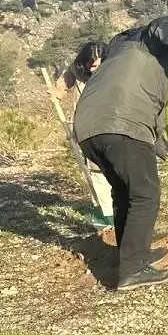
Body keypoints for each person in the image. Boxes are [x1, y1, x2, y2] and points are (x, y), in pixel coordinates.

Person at [72, 18, 168, 291]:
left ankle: (132, 254)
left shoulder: (121, 62)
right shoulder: (146, 40)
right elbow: (165, 25)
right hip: (121, 125)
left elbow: (151, 127)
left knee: (124, 191)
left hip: (89, 130)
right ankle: (133, 269)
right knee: (145, 194)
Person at [51, 41, 115, 227]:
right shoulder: (78, 73)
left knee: (115, 170)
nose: (95, 64)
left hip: (112, 126)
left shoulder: (114, 73)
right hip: (86, 128)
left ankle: (118, 211)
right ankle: (105, 215)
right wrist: (57, 91)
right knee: (96, 172)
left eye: (99, 60)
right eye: (91, 61)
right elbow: (63, 83)